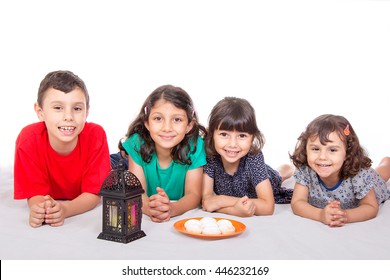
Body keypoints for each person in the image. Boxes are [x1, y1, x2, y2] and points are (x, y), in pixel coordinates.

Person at [14, 70, 111, 228]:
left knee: (121, 166)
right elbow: (35, 193)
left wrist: (65, 209)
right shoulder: (28, 140)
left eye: (77, 109)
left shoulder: (96, 136)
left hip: (112, 161)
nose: (68, 116)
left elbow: (93, 194)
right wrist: (40, 209)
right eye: (58, 108)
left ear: (87, 112)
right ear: (40, 112)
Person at [116, 84, 207, 223]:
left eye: (177, 120)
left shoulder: (196, 145)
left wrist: (172, 209)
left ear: (189, 125)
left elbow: (193, 194)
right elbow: (136, 193)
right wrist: (148, 208)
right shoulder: (136, 144)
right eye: (158, 118)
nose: (167, 128)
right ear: (146, 123)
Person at [290, 114, 390, 227]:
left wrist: (345, 215)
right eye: (315, 149)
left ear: (347, 152)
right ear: (306, 148)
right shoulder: (306, 170)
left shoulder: (360, 175)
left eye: (332, 150)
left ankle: (387, 161)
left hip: (372, 182)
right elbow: (297, 202)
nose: (322, 157)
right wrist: (320, 214)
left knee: (381, 173)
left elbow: (370, 207)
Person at [202, 97, 294, 217]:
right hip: (244, 195)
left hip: (268, 178)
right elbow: (207, 201)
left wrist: (222, 200)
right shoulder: (210, 156)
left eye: (242, 136)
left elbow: (267, 207)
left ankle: (288, 168)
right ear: (211, 133)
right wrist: (233, 210)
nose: (232, 144)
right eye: (224, 134)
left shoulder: (253, 158)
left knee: (278, 175)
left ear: (252, 137)